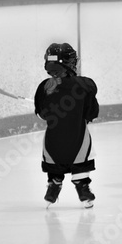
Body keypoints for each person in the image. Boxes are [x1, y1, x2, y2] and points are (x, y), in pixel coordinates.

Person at [34, 42, 99, 207]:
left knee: (54, 162)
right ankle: (83, 189)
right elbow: (92, 113)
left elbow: (42, 114)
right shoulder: (85, 85)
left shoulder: (44, 87)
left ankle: (54, 184)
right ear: (70, 63)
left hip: (53, 142)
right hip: (78, 138)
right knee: (81, 160)